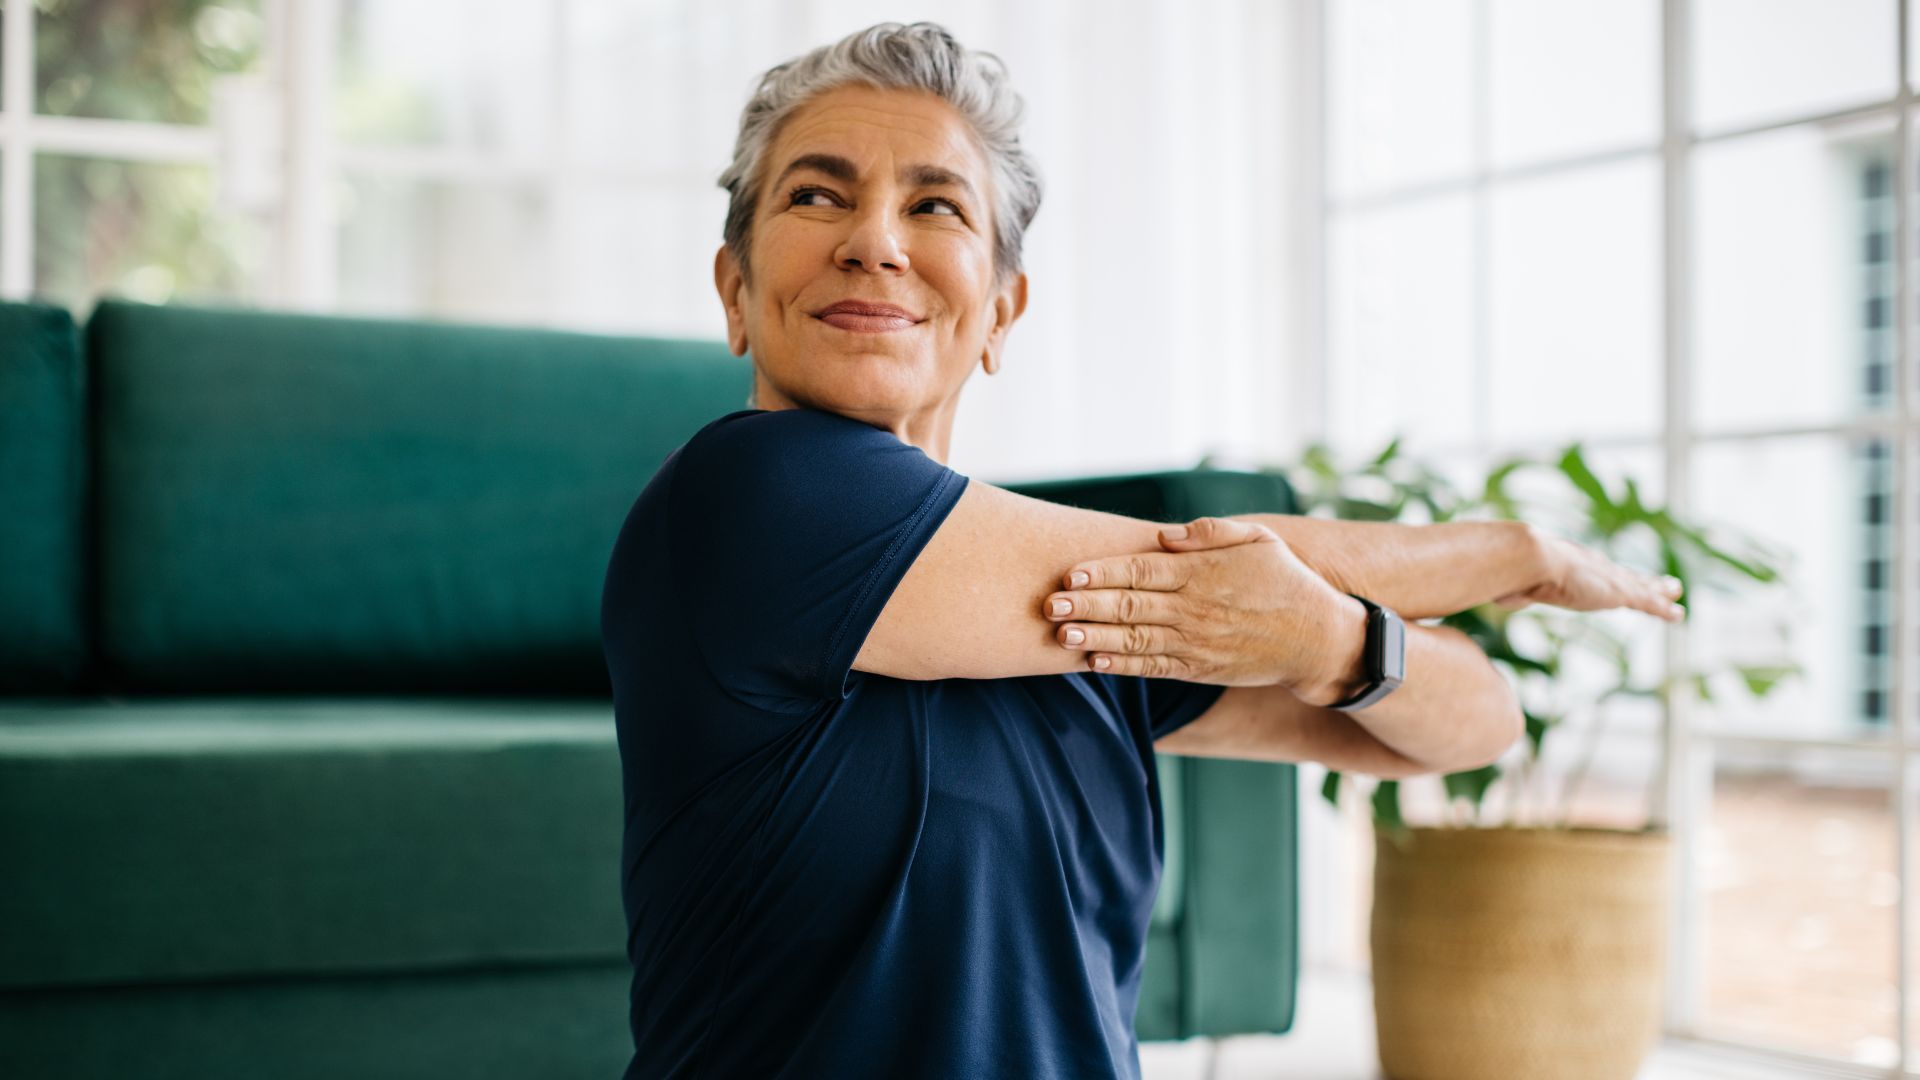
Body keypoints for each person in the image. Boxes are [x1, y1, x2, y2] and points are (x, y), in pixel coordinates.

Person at [598, 21, 1685, 1080]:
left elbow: (1470, 725)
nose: (874, 239)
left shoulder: (1086, 608)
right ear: (736, 291)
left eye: (934, 204)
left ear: (1002, 316)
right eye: (816, 195)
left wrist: (1335, 642)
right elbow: (1190, 570)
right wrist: (1506, 552)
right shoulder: (742, 495)